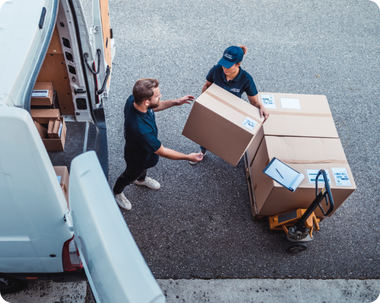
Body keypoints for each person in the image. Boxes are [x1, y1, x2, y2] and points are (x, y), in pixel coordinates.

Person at [113, 78, 203, 210]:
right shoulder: (141, 131)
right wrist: (188, 157)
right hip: (137, 158)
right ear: (146, 101)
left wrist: (175, 102)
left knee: (142, 170)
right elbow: (163, 151)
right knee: (129, 175)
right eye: (157, 95)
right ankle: (117, 192)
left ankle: (141, 180)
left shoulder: (133, 100)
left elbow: (153, 106)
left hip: (145, 153)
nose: (160, 96)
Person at [189, 45, 270, 165]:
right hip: (214, 107)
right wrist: (204, 101)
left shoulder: (246, 79)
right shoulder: (216, 70)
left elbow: (254, 102)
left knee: (226, 133)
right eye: (223, 63)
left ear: (238, 64)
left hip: (232, 111)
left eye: (228, 65)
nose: (224, 68)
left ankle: (226, 152)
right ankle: (202, 151)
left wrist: (261, 107)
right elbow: (207, 85)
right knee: (207, 131)